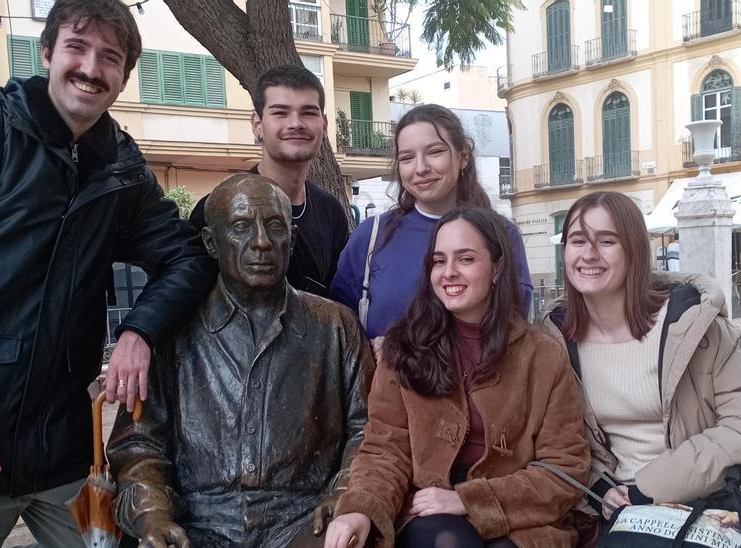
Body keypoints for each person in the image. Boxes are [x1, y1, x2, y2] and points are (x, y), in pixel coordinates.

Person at [0, 1, 216, 545]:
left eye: (110, 57)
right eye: (76, 48)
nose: (91, 68)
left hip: (60, 447)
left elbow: (189, 256)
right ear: (48, 52)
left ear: (123, 77)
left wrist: (140, 329)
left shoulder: (122, 170)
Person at [107, 174, 372, 547]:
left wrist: (345, 492)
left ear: (291, 240)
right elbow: (138, 444)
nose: (261, 242)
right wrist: (152, 512)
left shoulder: (335, 326)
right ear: (211, 243)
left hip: (303, 522)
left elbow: (367, 430)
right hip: (197, 523)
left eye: (275, 226)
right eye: (241, 228)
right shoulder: (173, 330)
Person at [543, 192, 741, 542]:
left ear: (634, 250)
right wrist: (601, 486)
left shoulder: (696, 327)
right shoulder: (557, 340)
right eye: (577, 240)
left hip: (709, 498)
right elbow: (562, 439)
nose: (589, 253)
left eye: (606, 241)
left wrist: (649, 487)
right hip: (614, 506)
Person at [325, 207, 589, 548]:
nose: (448, 273)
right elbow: (384, 451)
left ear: (496, 268)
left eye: (465, 259)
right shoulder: (404, 348)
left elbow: (565, 469)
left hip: (522, 521)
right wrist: (360, 509)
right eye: (438, 261)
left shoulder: (543, 356)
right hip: (428, 512)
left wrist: (469, 500)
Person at [331, 104, 533, 338]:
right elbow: (341, 329)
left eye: (435, 152)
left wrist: (404, 350)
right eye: (407, 157)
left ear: (463, 156)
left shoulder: (502, 235)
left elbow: (514, 327)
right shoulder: (370, 237)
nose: (421, 168)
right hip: (385, 375)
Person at [189, 64, 350, 297]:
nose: (296, 123)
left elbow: (337, 300)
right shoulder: (218, 208)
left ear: (324, 125)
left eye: (308, 112)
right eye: (280, 112)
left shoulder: (331, 212)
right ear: (257, 124)